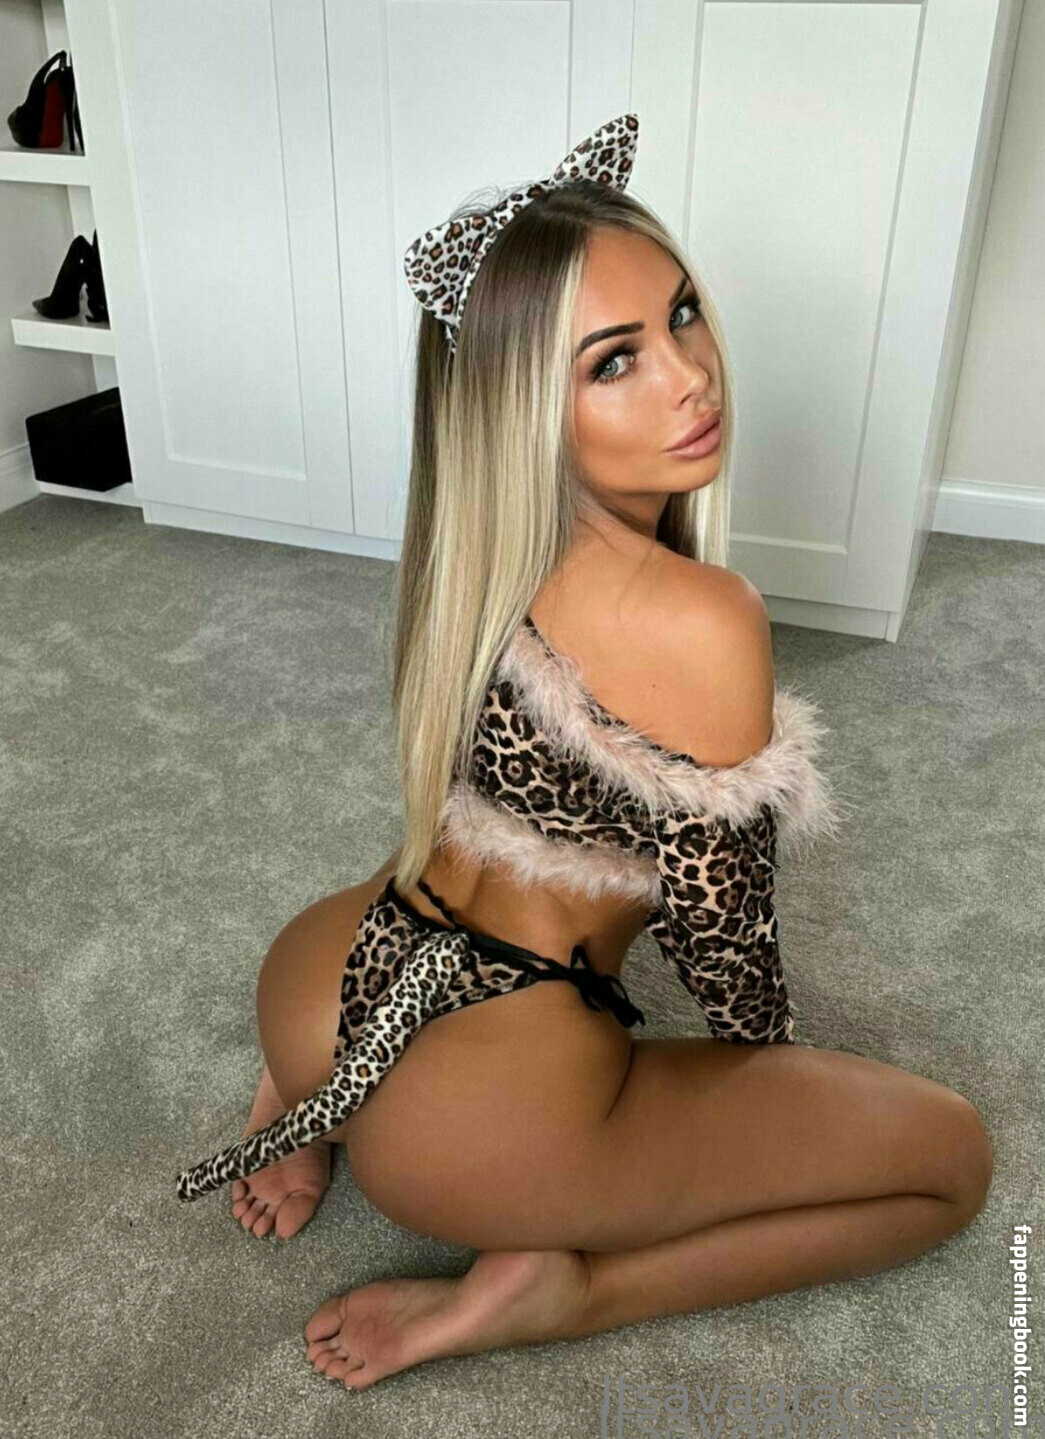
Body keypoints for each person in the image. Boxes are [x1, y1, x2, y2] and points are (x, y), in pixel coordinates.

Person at [181, 114, 993, 1392]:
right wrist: (769, 1089)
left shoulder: (472, 545)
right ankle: (562, 1288)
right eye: (614, 361)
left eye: (682, 316)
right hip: (479, 1130)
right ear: (524, 407)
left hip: (317, 982)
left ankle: (310, 1102)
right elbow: (726, 946)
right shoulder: (702, 615)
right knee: (949, 1162)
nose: (691, 376)